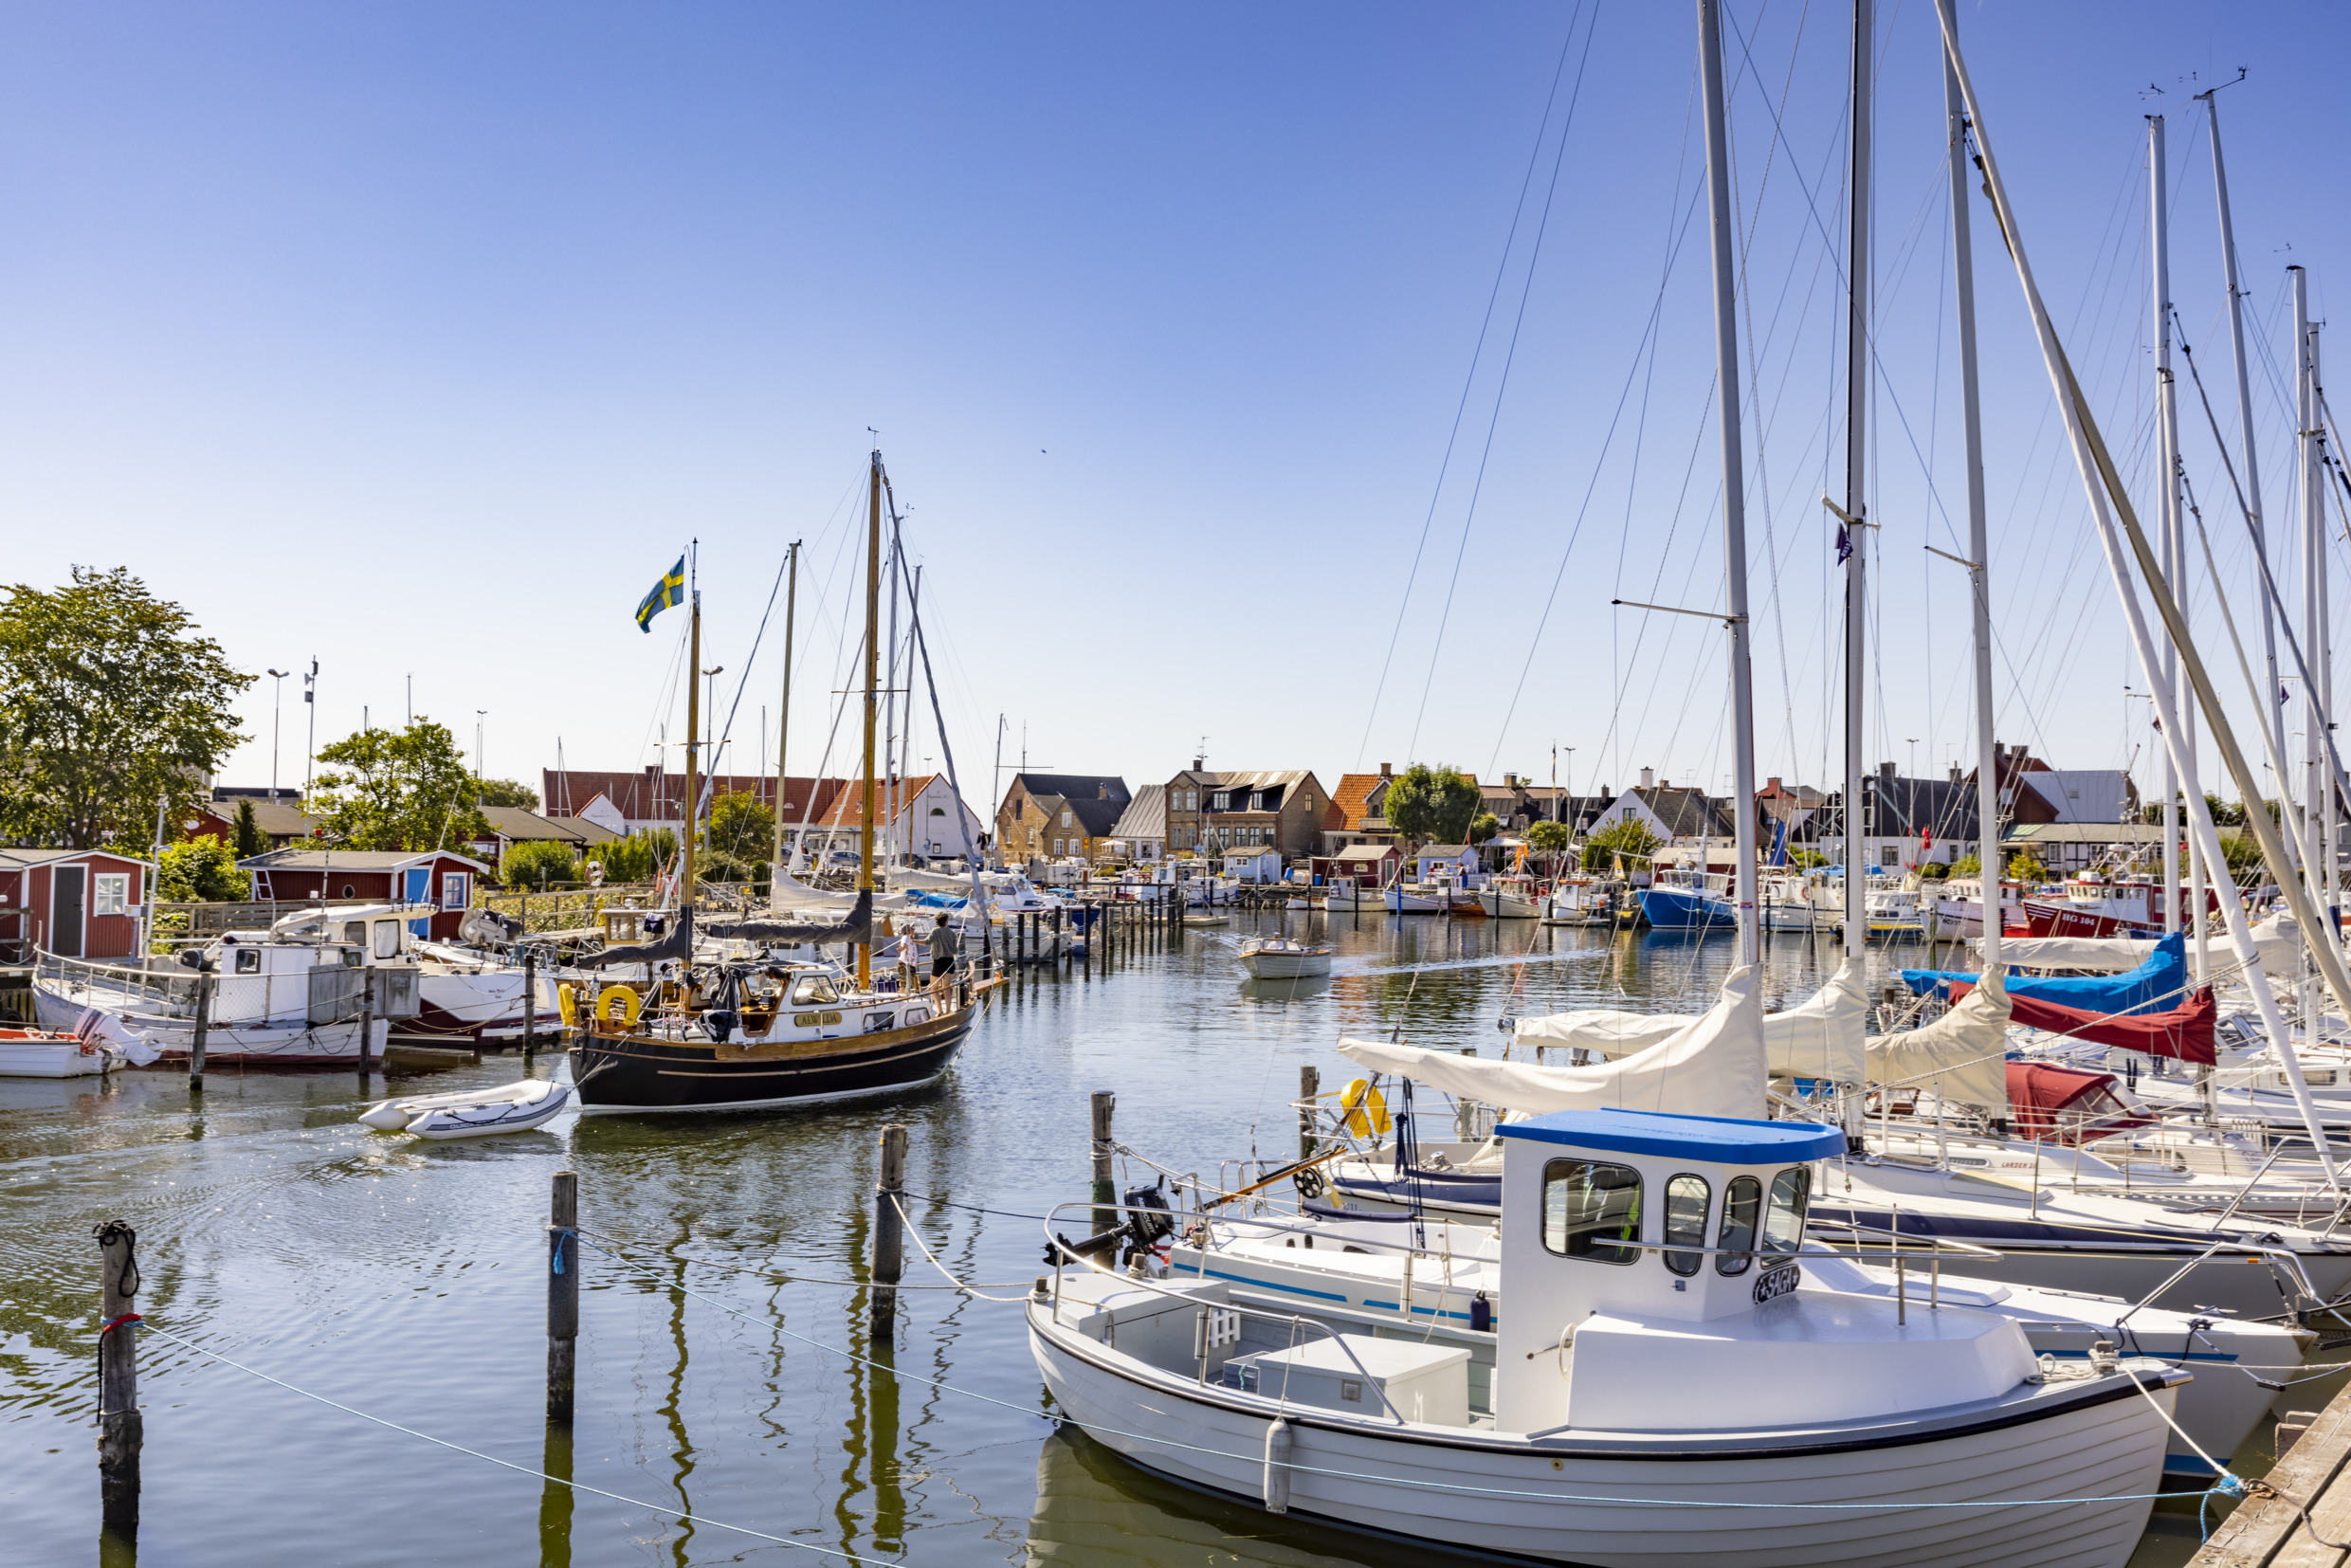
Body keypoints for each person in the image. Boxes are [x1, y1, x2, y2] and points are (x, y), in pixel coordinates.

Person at [929, 912, 957, 980]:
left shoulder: (935, 931)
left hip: (939, 962)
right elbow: (955, 951)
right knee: (946, 988)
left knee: (934, 988)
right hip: (950, 961)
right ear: (946, 921)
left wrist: (913, 940)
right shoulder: (952, 932)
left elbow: (927, 942)